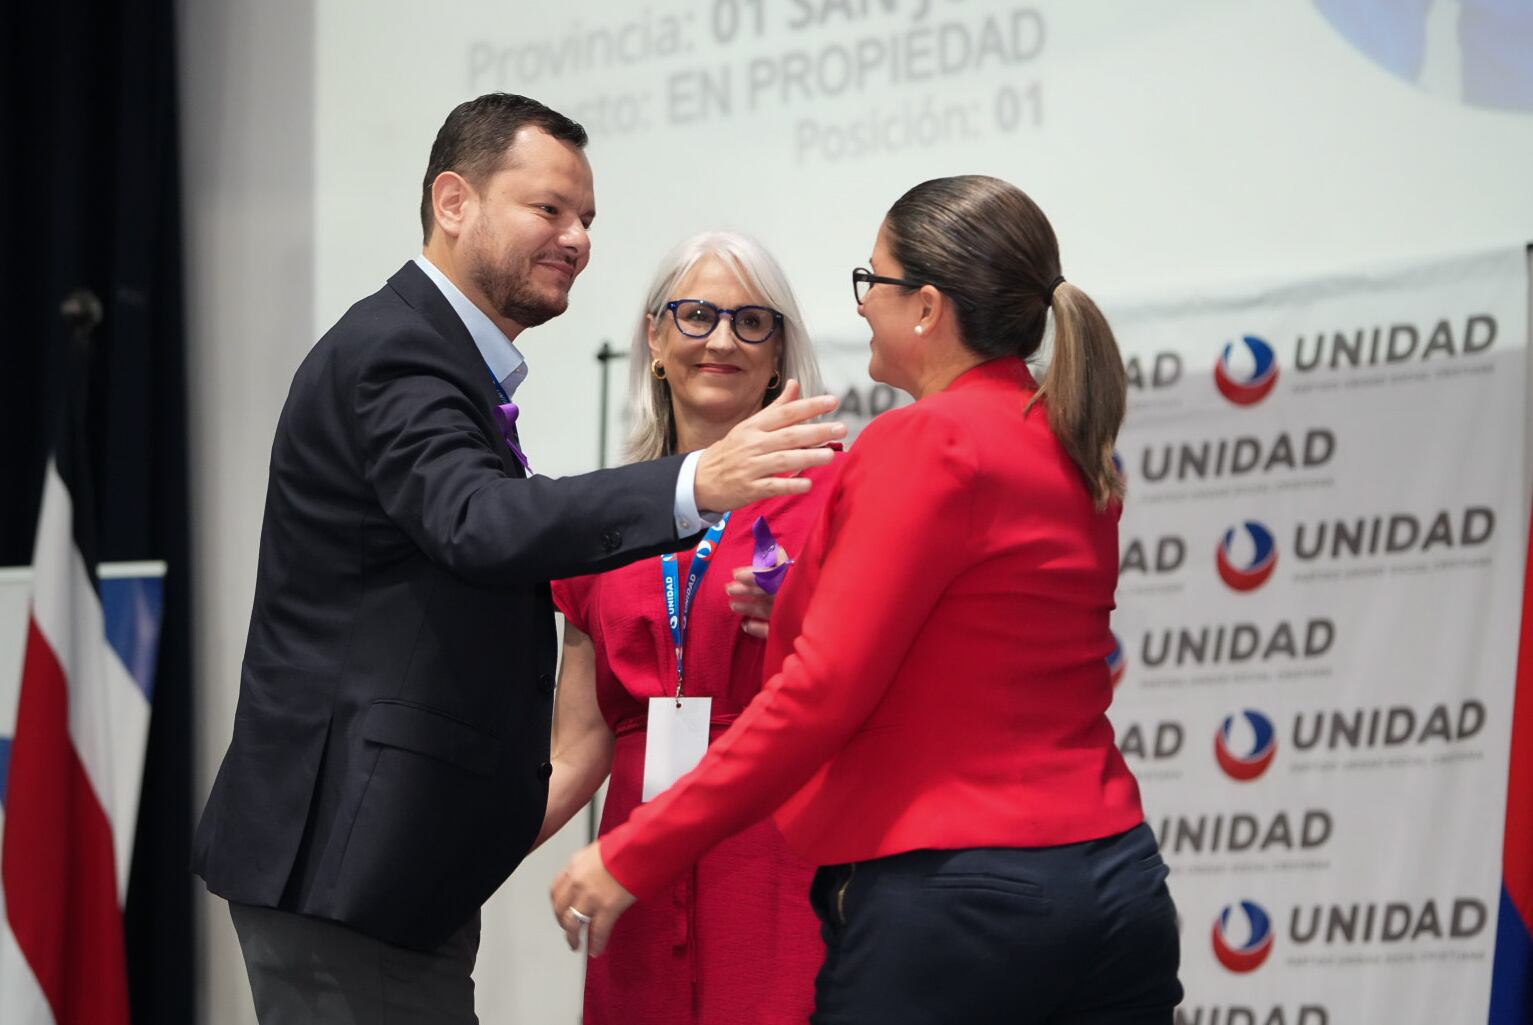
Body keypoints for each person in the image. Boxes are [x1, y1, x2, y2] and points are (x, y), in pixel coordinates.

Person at [191, 93, 843, 1025]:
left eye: (587, 218)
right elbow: (477, 524)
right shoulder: (400, 353)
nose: (577, 238)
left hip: (744, 870)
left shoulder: (825, 491)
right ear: (453, 201)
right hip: (358, 860)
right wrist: (696, 481)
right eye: (549, 209)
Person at [552, 175, 1184, 1024]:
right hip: (1116, 881)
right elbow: (974, 641)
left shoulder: (921, 439)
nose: (860, 306)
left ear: (924, 308)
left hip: (961, 895)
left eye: (872, 281)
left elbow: (817, 695)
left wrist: (633, 851)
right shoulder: (1068, 441)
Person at [538, 232, 838, 1025]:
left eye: (751, 321)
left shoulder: (834, 491)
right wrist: (463, 855)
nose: (722, 341)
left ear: (778, 354)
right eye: (697, 315)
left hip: (779, 861)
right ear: (654, 338)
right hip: (632, 874)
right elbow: (579, 746)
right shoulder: (601, 513)